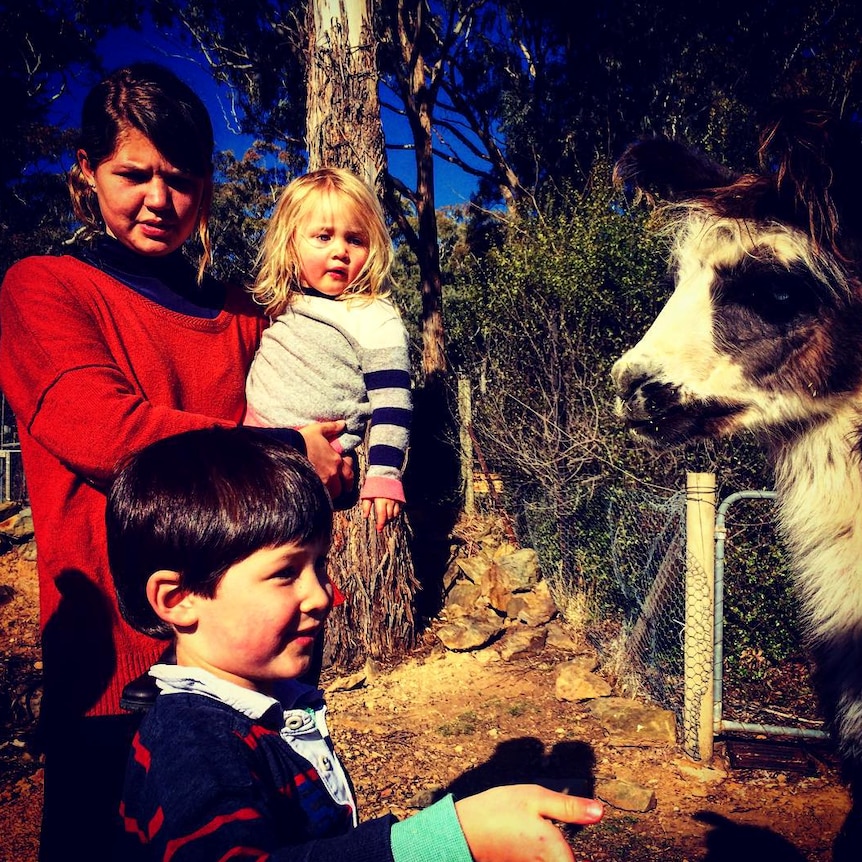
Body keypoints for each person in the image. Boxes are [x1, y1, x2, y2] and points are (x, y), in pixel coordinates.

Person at [0, 63, 350, 861]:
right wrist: (287, 449)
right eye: (134, 174)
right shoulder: (45, 288)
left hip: (251, 661)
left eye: (183, 179)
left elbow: (328, 438)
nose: (159, 199)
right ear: (85, 175)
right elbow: (104, 432)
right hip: (114, 679)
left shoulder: (244, 315)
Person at [106, 426, 604, 861]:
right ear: (179, 598)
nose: (322, 596)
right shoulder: (193, 742)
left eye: (319, 566)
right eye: (284, 573)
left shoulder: (263, 707)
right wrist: (438, 844)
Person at [245, 168, 412, 532]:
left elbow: (393, 402)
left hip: (319, 461)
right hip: (252, 448)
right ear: (291, 244)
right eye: (323, 236)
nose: (340, 251)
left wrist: (384, 474)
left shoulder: (373, 315)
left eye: (355, 239)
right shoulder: (279, 304)